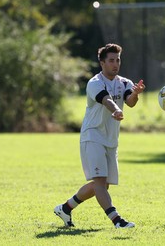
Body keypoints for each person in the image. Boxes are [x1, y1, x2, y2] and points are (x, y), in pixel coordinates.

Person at [54, 43, 145, 228]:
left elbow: (131, 101)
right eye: (111, 60)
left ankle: (65, 208)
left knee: (102, 186)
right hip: (93, 136)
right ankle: (117, 221)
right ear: (102, 63)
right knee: (100, 182)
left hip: (111, 140)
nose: (115, 64)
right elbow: (106, 100)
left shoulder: (124, 82)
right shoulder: (95, 82)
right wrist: (117, 110)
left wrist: (135, 94)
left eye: (118, 60)